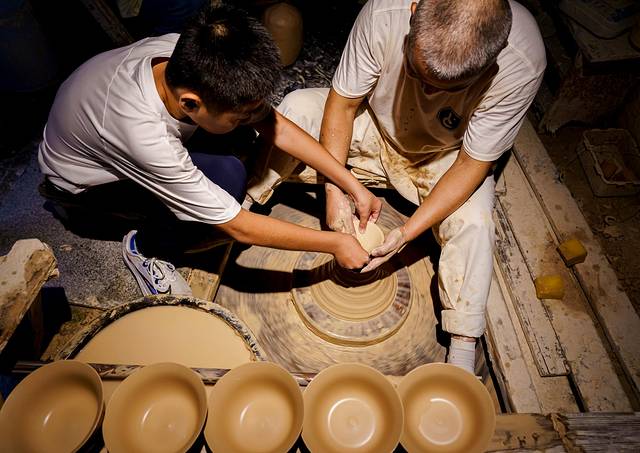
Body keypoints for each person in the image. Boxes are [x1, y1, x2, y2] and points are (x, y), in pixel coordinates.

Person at [248, 0, 546, 373]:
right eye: (418, 75)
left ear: (492, 63)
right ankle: (241, 210)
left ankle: (462, 345)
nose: (428, 94)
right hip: (372, 126)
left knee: (477, 221)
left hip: (442, 158)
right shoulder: (383, 13)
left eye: (445, 89)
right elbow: (343, 106)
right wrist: (333, 190)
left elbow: (472, 164)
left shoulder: (522, 62)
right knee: (295, 109)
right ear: (413, 13)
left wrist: (405, 233)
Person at [38, 3, 381, 297]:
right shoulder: (143, 135)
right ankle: (144, 248)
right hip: (84, 191)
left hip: (102, 134)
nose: (251, 117)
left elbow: (274, 125)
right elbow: (239, 227)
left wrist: (349, 183)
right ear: (191, 103)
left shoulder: (189, 53)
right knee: (227, 184)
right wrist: (334, 244)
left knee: (242, 143)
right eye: (241, 114)